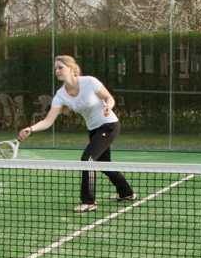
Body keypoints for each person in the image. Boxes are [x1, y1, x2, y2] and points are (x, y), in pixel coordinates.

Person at [17, 55, 134, 213]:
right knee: (102, 163)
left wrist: (108, 106)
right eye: (56, 68)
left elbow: (109, 98)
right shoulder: (60, 95)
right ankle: (126, 192)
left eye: (60, 67)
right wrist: (31, 128)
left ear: (71, 69)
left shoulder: (90, 82)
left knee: (87, 159)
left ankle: (89, 202)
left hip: (109, 125)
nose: (57, 71)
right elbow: (48, 121)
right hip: (94, 130)